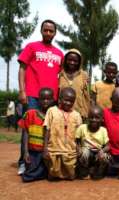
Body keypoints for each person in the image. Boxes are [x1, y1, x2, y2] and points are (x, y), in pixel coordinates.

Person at [17, 19, 64, 174]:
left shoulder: (59, 53)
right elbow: (22, 68)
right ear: (41, 31)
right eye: (46, 30)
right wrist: (22, 90)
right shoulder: (32, 47)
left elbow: (61, 76)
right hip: (32, 95)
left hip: (51, 99)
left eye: (51, 31)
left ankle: (43, 162)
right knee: (29, 129)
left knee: (48, 130)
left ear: (55, 33)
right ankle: (24, 161)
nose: (48, 33)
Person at [43, 87, 82, 180]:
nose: (68, 103)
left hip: (70, 150)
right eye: (66, 100)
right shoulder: (51, 111)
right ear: (60, 99)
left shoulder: (77, 115)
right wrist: (45, 148)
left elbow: (79, 134)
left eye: (71, 101)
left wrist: (78, 146)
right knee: (53, 175)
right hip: (54, 149)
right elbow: (47, 129)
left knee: (71, 176)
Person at [18, 88, 54, 182]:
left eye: (48, 99)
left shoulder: (54, 116)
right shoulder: (30, 114)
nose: (45, 101)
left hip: (46, 152)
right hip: (33, 151)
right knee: (29, 176)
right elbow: (25, 133)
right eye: (43, 99)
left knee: (50, 172)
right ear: (38, 100)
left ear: (52, 100)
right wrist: (25, 152)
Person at [75, 106, 110, 179]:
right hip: (86, 153)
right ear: (88, 118)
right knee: (84, 152)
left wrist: (102, 151)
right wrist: (78, 148)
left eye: (97, 117)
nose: (94, 120)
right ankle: (84, 171)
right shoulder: (82, 128)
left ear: (101, 119)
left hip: (97, 153)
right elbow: (76, 141)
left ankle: (98, 172)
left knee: (105, 156)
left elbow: (108, 146)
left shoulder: (103, 130)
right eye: (91, 117)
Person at [59, 49, 90, 121]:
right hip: (61, 113)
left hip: (78, 114)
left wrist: (85, 112)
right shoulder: (61, 74)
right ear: (65, 60)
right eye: (69, 60)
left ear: (79, 62)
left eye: (75, 61)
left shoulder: (83, 75)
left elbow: (86, 95)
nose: (72, 62)